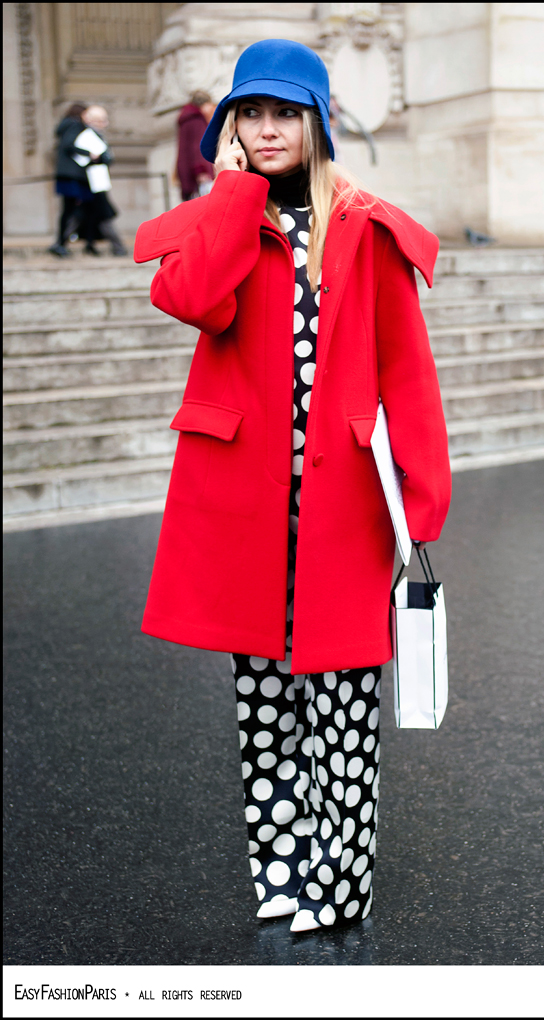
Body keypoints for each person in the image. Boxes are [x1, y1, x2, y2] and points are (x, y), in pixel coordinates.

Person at [133, 39, 451, 932]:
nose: (268, 130)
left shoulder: (365, 227)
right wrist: (232, 192)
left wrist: (420, 503)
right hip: (245, 508)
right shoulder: (221, 221)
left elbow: (407, 372)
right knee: (264, 704)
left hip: (343, 506)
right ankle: (280, 869)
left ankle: (337, 882)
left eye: (285, 114)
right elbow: (196, 300)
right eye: (252, 114)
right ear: (232, 126)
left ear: (316, 123)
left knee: (343, 708)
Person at [77, 105, 128, 257]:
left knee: (93, 215)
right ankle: (118, 246)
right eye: (101, 120)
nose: (104, 124)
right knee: (105, 214)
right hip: (92, 182)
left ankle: (90, 245)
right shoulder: (86, 136)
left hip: (98, 181)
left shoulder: (96, 135)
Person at [49, 102, 89, 257]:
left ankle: (62, 242)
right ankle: (61, 242)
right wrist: (89, 152)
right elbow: (69, 145)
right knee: (71, 209)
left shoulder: (65, 125)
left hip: (66, 174)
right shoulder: (75, 125)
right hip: (73, 175)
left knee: (69, 209)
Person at [176, 90, 216, 200]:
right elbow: (197, 147)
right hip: (199, 176)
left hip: (188, 172)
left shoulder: (186, 119)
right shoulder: (197, 120)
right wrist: (201, 171)